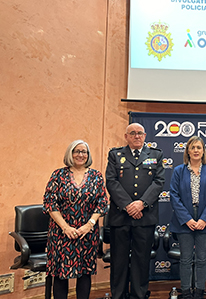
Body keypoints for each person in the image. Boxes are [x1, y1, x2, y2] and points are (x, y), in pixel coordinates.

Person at [43, 140, 108, 299]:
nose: (81, 155)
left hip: (87, 233)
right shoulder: (58, 175)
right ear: (70, 154)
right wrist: (65, 227)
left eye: (84, 152)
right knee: (60, 274)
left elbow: (102, 203)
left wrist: (89, 225)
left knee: (84, 273)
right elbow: (49, 203)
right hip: (61, 233)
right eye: (77, 151)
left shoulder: (96, 176)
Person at [106, 123, 165, 299]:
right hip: (120, 216)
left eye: (140, 133)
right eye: (132, 133)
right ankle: (118, 295)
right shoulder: (115, 155)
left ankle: (139, 295)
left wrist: (141, 204)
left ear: (145, 135)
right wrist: (128, 206)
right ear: (126, 137)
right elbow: (111, 181)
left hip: (145, 217)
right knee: (119, 260)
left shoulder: (156, 155)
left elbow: (159, 182)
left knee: (141, 260)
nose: (136, 136)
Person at [169, 136, 206, 299]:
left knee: (202, 259)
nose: (196, 150)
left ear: (203, 151)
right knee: (185, 259)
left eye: (199, 147)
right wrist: (187, 219)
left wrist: (204, 219)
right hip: (184, 221)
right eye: (193, 148)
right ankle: (185, 292)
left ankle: (199, 292)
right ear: (188, 151)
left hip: (205, 221)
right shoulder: (179, 170)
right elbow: (174, 196)